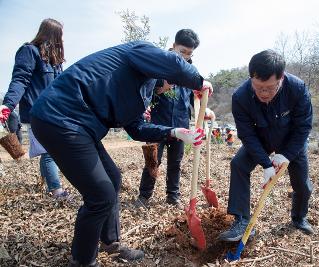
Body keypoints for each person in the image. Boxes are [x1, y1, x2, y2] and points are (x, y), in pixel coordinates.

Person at [1, 40, 213, 266]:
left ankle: (110, 243)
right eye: (170, 84)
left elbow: (136, 127)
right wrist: (199, 82)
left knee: (113, 178)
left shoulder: (144, 90)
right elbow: (175, 63)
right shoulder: (141, 51)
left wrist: (175, 132)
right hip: (60, 117)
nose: (168, 89)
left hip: (82, 126)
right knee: (100, 196)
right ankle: (83, 261)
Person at [218, 49, 313, 243]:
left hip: (291, 140)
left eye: (270, 88)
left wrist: (285, 155)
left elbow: (303, 126)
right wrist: (266, 163)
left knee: (301, 183)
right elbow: (246, 134)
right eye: (258, 87)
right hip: (261, 138)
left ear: (281, 78)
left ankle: (299, 217)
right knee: (238, 164)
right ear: (251, 78)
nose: (263, 93)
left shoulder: (297, 89)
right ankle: (242, 220)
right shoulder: (241, 97)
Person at [134, 29, 204, 209]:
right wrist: (160, 89)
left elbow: (195, 98)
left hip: (181, 124)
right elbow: (147, 91)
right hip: (157, 124)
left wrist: (204, 107)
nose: (186, 57)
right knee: (152, 160)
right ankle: (144, 196)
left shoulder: (191, 71)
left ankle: (173, 196)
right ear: (173, 47)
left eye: (190, 54)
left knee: (176, 163)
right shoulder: (159, 66)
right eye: (182, 52)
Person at [0, 18, 69, 198]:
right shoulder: (29, 52)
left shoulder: (54, 60)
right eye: (60, 35)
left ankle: (47, 185)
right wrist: (7, 106)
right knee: (49, 151)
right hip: (38, 112)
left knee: (50, 149)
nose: (62, 39)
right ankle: (56, 191)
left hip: (55, 112)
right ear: (52, 34)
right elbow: (20, 80)